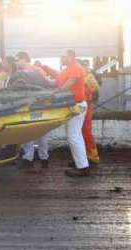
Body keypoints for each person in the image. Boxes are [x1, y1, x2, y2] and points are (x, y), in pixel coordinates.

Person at [2, 56, 50, 171]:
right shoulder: (34, 73)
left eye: (4, 62)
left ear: (9, 64)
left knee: (27, 131)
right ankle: (44, 159)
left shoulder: (15, 76)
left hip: (27, 107)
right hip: (40, 105)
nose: (2, 64)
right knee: (42, 132)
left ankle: (28, 158)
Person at [56, 49, 90, 177]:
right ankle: (81, 162)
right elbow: (58, 82)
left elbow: (69, 83)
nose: (62, 59)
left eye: (63, 57)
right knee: (75, 135)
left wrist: (56, 92)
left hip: (76, 105)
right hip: (73, 105)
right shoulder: (67, 69)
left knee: (73, 136)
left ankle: (82, 167)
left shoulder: (76, 67)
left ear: (71, 57)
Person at [81, 59, 100, 165]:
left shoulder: (89, 76)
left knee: (86, 130)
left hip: (86, 105)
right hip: (82, 105)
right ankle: (83, 156)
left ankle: (93, 156)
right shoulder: (85, 75)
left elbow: (95, 86)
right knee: (81, 132)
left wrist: (85, 93)